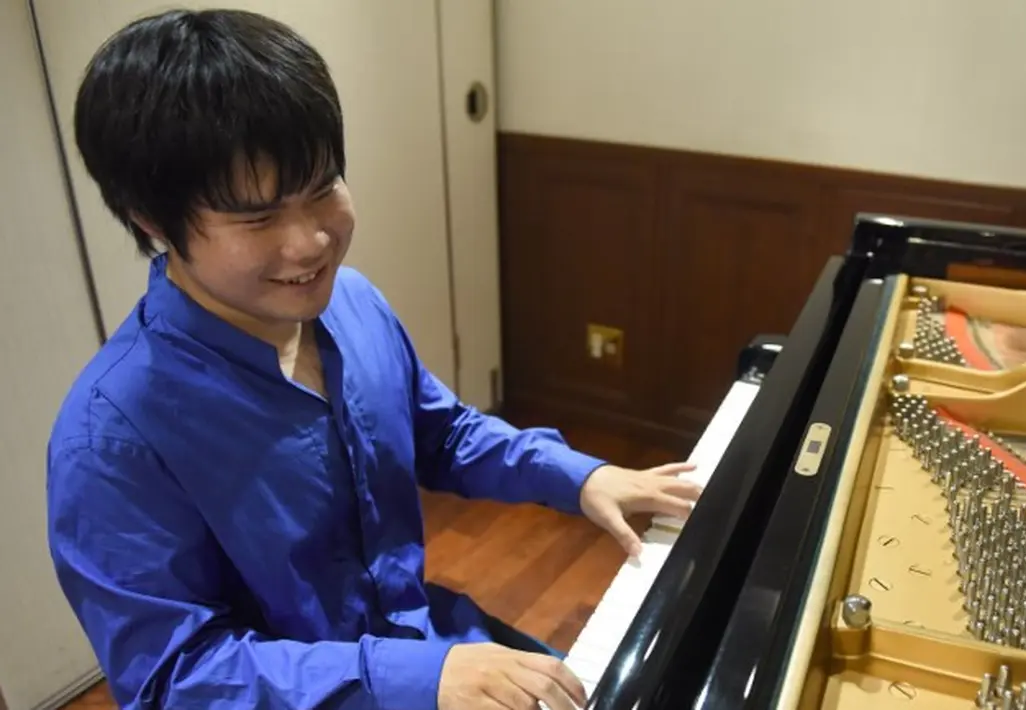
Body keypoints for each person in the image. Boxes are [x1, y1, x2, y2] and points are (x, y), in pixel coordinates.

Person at [45, 9, 700, 710]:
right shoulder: (110, 440)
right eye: (258, 218)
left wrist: (583, 477)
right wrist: (413, 680)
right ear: (153, 222)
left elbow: (439, 432)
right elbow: (170, 680)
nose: (311, 243)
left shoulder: (350, 302)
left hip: (426, 640)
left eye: (323, 187)